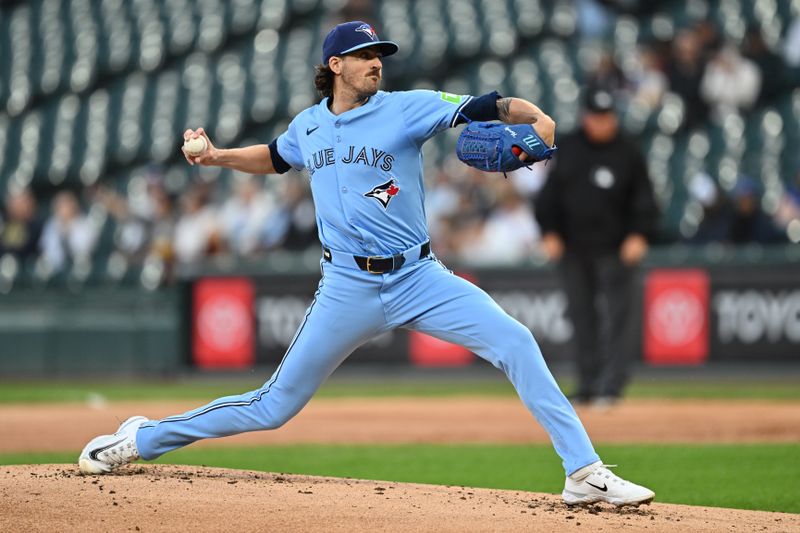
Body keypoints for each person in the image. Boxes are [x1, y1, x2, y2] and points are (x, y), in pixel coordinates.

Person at [78, 21, 654, 507]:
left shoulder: (405, 110)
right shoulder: (309, 125)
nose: (376, 63)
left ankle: (582, 472)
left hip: (419, 276)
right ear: (335, 64)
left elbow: (485, 105)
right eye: (364, 55)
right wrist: (218, 156)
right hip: (347, 285)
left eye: (379, 55)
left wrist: (535, 116)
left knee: (517, 341)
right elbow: (277, 157)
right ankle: (145, 438)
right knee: (273, 406)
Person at [535, 88, 658, 407]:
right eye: (596, 117)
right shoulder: (571, 147)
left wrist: (639, 234)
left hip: (616, 248)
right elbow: (549, 196)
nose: (602, 123)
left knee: (618, 318)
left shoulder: (628, 150)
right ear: (585, 116)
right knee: (581, 316)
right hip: (574, 248)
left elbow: (644, 198)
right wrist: (549, 231)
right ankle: (588, 382)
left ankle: (612, 384)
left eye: (607, 117)